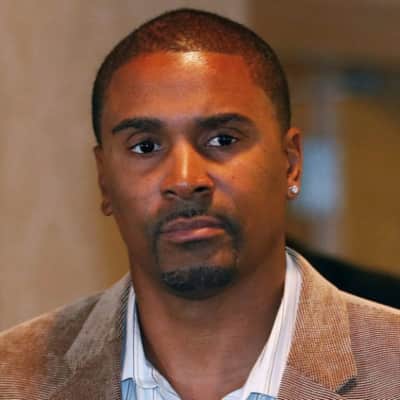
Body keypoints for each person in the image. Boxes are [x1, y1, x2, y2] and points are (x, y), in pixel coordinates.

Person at [0, 9, 399, 400]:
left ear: (291, 163)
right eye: (146, 147)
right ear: (104, 180)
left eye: (223, 140)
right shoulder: (12, 377)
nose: (185, 180)